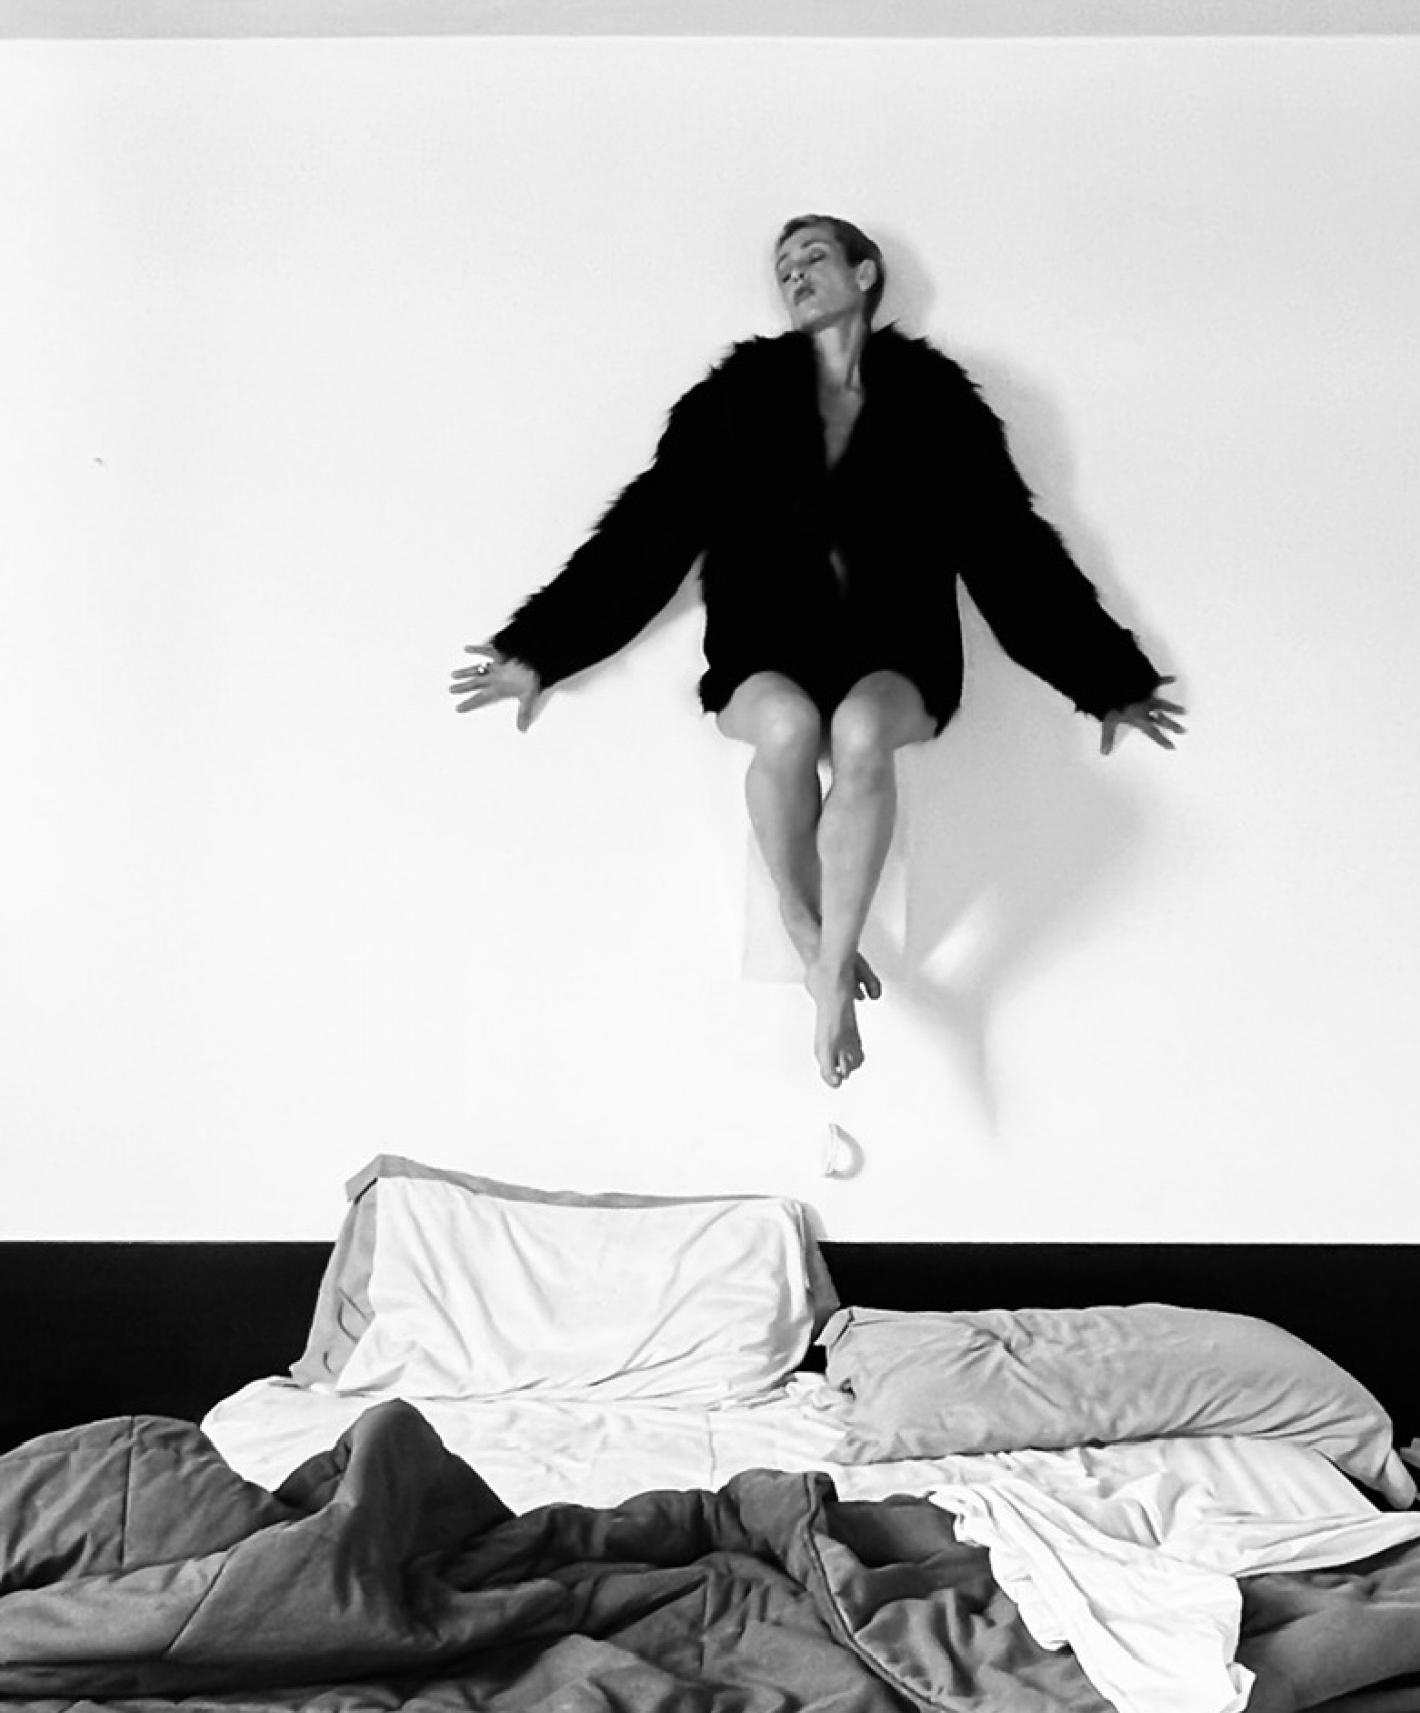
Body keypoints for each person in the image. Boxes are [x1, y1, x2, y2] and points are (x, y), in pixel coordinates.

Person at [450, 215, 1184, 1087]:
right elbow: (650, 528)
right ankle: (814, 946)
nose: (794, 275)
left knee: (864, 732)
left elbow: (1005, 543)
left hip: (899, 649)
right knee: (791, 729)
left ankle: (831, 974)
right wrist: (541, 648)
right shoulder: (736, 398)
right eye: (783, 267)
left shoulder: (937, 400)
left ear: (865, 274)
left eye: (814, 257)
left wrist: (1107, 678)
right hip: (765, 643)